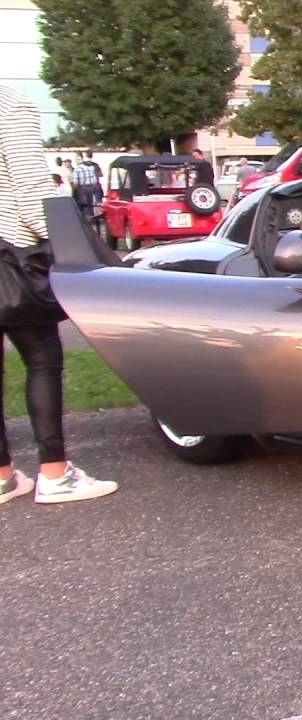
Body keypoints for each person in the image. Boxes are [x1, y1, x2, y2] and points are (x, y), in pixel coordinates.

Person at [0, 85, 116, 506]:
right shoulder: (10, 104)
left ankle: (3, 477)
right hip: (9, 255)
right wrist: (73, 246)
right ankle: (55, 473)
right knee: (42, 359)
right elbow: (32, 195)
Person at [70, 152, 100, 224]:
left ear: (80, 158)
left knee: (83, 204)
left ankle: (85, 222)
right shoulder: (90, 167)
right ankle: (91, 219)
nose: (76, 160)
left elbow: (76, 183)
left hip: (82, 188)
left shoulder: (77, 169)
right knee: (90, 204)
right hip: (91, 187)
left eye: (77, 158)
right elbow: (95, 180)